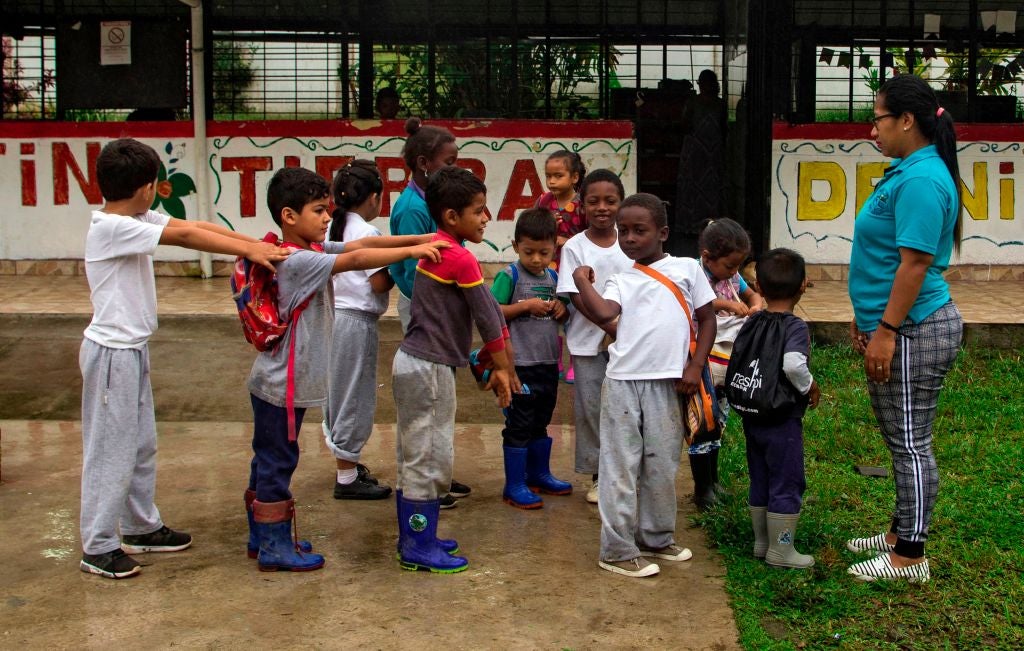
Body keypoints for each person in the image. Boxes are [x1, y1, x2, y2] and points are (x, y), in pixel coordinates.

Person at [79, 138, 291, 579]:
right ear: (147, 186)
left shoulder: (136, 215)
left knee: (140, 444)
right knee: (110, 450)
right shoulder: (111, 227)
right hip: (111, 355)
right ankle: (98, 545)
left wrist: (257, 244)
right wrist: (252, 252)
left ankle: (140, 526)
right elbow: (187, 235)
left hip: (131, 351)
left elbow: (196, 224)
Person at [246, 167, 446, 573]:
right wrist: (412, 252)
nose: (326, 218)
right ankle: (272, 545)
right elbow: (357, 256)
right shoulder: (300, 260)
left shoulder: (303, 249)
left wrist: (421, 238)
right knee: (277, 461)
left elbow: (366, 243)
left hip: (278, 380)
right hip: (282, 383)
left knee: (269, 457)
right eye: (319, 211)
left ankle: (263, 536)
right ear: (288, 216)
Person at [845, 74, 964, 584]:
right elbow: (882, 256)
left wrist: (887, 330)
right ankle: (899, 531)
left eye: (879, 118)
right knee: (901, 437)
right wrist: (866, 317)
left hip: (914, 328)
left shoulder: (920, 180)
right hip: (896, 324)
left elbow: (914, 265)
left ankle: (910, 555)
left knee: (912, 441)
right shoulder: (908, 171)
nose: (874, 129)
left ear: (907, 120)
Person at [572, 193, 716, 578]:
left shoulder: (688, 269)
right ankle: (617, 550)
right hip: (622, 383)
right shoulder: (622, 278)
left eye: (640, 230)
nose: (630, 238)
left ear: (663, 233)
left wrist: (695, 365)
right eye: (623, 232)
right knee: (620, 466)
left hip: (670, 383)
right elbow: (603, 313)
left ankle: (656, 537)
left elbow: (707, 319)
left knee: (662, 464)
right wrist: (580, 282)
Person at [392, 165, 516, 573]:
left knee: (419, 453)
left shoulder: (441, 246)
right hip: (427, 369)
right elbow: (488, 320)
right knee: (428, 457)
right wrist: (503, 369)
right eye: (479, 210)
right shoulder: (459, 258)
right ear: (451, 216)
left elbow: (490, 313)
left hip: (419, 363)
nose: (486, 218)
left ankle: (419, 537)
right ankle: (417, 547)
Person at [388, 117, 470, 507]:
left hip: (439, 306)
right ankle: (421, 484)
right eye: (449, 161)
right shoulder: (411, 208)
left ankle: (438, 475)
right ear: (424, 163)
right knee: (427, 400)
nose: (455, 167)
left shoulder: (431, 201)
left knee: (440, 398)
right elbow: (406, 273)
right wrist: (439, 295)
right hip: (425, 310)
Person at [732, 248, 820, 569]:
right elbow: (793, 365)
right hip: (782, 419)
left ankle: (761, 541)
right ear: (802, 286)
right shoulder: (795, 327)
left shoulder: (753, 321)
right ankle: (782, 549)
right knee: (786, 479)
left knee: (761, 476)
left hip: (753, 414)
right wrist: (810, 385)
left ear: (761, 289)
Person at [554, 169, 631, 504]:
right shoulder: (574, 246)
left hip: (630, 343)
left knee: (625, 408)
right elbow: (574, 295)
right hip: (587, 343)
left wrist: (624, 331)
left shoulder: (631, 243)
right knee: (592, 408)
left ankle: (624, 473)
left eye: (610, 201)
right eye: (594, 201)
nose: (602, 208)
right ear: (581, 205)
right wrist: (608, 326)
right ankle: (599, 475)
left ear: (621, 204)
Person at [490, 208, 571, 509]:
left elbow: (564, 307)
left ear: (554, 248)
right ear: (515, 247)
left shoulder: (553, 277)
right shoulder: (508, 275)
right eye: (529, 252)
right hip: (518, 365)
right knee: (519, 424)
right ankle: (514, 484)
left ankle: (539, 474)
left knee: (541, 420)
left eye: (544, 252)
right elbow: (493, 312)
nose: (536, 259)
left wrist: (563, 308)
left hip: (548, 364)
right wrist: (525, 307)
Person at [322, 160, 393, 501]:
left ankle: (345, 464)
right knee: (356, 394)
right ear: (374, 198)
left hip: (331, 317)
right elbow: (378, 284)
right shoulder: (367, 234)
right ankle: (347, 477)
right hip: (356, 322)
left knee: (338, 390)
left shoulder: (328, 228)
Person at [691, 218, 763, 510]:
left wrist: (755, 304)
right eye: (729, 266)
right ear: (707, 257)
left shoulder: (732, 277)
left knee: (718, 422)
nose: (734, 273)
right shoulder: (695, 274)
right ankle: (702, 489)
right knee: (703, 423)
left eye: (737, 267)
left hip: (727, 361)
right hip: (703, 360)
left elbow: (751, 294)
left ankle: (713, 482)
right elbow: (699, 304)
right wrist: (726, 305)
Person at [535, 150, 587, 384]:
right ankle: (554, 359)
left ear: (574, 177)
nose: (552, 181)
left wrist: (567, 241)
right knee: (551, 314)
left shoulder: (581, 205)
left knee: (574, 315)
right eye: (549, 176)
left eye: (558, 176)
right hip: (549, 270)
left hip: (574, 271)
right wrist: (547, 226)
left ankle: (575, 362)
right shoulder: (544, 202)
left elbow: (588, 235)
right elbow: (532, 227)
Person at [674, 69, 725, 256]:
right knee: (694, 188)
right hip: (697, 152)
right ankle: (692, 224)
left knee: (708, 188)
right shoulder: (696, 102)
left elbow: (684, 125)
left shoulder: (716, 104)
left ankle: (705, 223)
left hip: (709, 152)